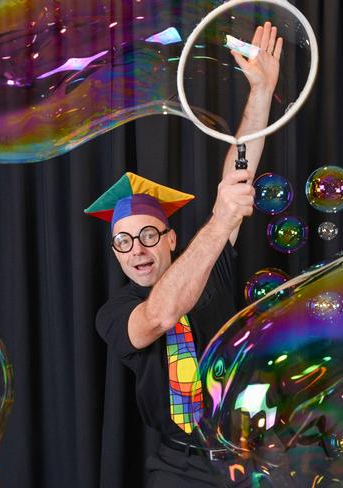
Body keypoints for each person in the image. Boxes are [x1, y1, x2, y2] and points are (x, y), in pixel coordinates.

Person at [85, 22, 283, 487]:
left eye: (149, 236)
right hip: (181, 467)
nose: (138, 251)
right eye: (124, 242)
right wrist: (220, 218)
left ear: (172, 238)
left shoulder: (208, 259)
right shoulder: (116, 313)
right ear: (115, 254)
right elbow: (160, 315)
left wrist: (262, 90)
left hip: (251, 457)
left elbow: (240, 174)